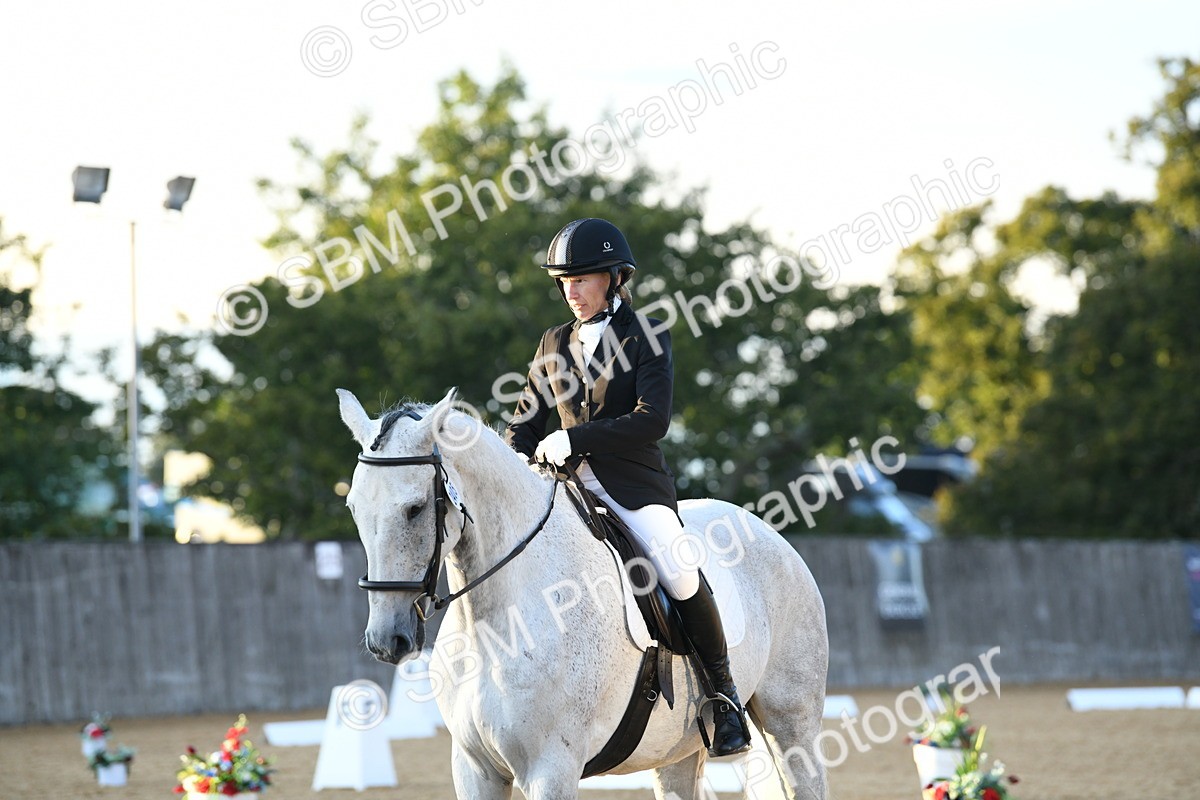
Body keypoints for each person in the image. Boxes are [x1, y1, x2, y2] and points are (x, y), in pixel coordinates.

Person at [504, 217, 752, 757]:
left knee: (679, 569)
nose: (572, 291)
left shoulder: (649, 336)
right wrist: (518, 459)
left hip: (632, 486)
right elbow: (524, 423)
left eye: (585, 279)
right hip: (564, 488)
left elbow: (651, 419)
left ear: (616, 278)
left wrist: (577, 438)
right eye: (565, 282)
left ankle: (724, 694)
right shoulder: (553, 342)